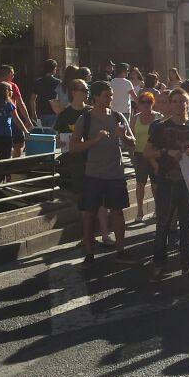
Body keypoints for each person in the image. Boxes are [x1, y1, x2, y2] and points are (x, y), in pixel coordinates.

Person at [70, 81, 138, 268]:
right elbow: (73, 146)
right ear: (96, 97)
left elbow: (133, 142)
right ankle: (90, 253)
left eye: (112, 96)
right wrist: (95, 140)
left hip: (115, 173)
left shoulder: (117, 117)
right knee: (90, 214)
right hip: (93, 174)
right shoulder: (86, 119)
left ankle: (121, 250)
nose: (111, 99)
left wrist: (123, 136)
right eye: (107, 96)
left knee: (117, 212)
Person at [144, 88, 189, 282]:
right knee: (163, 226)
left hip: (188, 183)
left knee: (187, 227)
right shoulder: (160, 127)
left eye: (183, 101)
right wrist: (166, 152)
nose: (180, 104)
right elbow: (147, 152)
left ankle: (187, 266)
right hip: (167, 182)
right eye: (176, 101)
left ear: (188, 104)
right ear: (170, 104)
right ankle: (159, 266)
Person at [54, 79, 113, 247]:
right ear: (73, 92)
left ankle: (105, 234)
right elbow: (59, 140)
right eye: (83, 89)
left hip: (97, 160)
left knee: (102, 198)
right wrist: (65, 141)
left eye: (87, 90)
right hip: (77, 162)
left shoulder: (91, 111)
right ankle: (87, 236)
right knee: (84, 200)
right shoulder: (65, 115)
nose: (86, 93)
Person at [131, 91, 163, 222]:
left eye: (149, 102)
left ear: (153, 103)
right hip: (139, 154)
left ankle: (157, 209)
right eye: (143, 102)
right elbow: (131, 137)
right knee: (140, 183)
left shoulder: (158, 117)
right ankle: (139, 211)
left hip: (154, 154)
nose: (146, 105)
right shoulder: (134, 118)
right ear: (138, 104)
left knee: (155, 184)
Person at [0, 64, 33, 157]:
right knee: (19, 143)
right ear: (8, 74)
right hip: (11, 117)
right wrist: (27, 119)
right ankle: (14, 163)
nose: (13, 76)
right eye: (12, 74)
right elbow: (21, 104)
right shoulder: (12, 86)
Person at [0, 82, 28, 161]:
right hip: (4, 135)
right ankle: (3, 173)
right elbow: (16, 119)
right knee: (4, 160)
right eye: (10, 90)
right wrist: (25, 131)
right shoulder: (8, 104)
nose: (12, 92)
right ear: (6, 91)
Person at [30, 59, 61, 129]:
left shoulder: (38, 82)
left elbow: (32, 100)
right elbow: (60, 99)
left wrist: (33, 113)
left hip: (41, 113)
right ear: (54, 69)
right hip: (54, 113)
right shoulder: (58, 82)